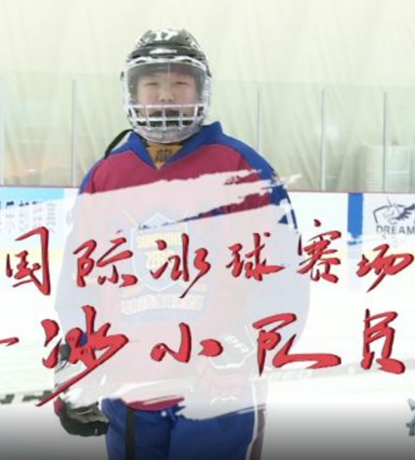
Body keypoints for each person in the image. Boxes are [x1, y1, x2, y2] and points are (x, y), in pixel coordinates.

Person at [54, 28, 301, 460]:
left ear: (201, 90)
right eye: (152, 83)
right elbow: (82, 282)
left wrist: (249, 344)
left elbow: (283, 275)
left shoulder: (244, 169)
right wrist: (76, 360)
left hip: (218, 390)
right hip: (131, 388)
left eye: (180, 83)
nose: (166, 95)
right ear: (132, 91)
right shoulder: (105, 177)